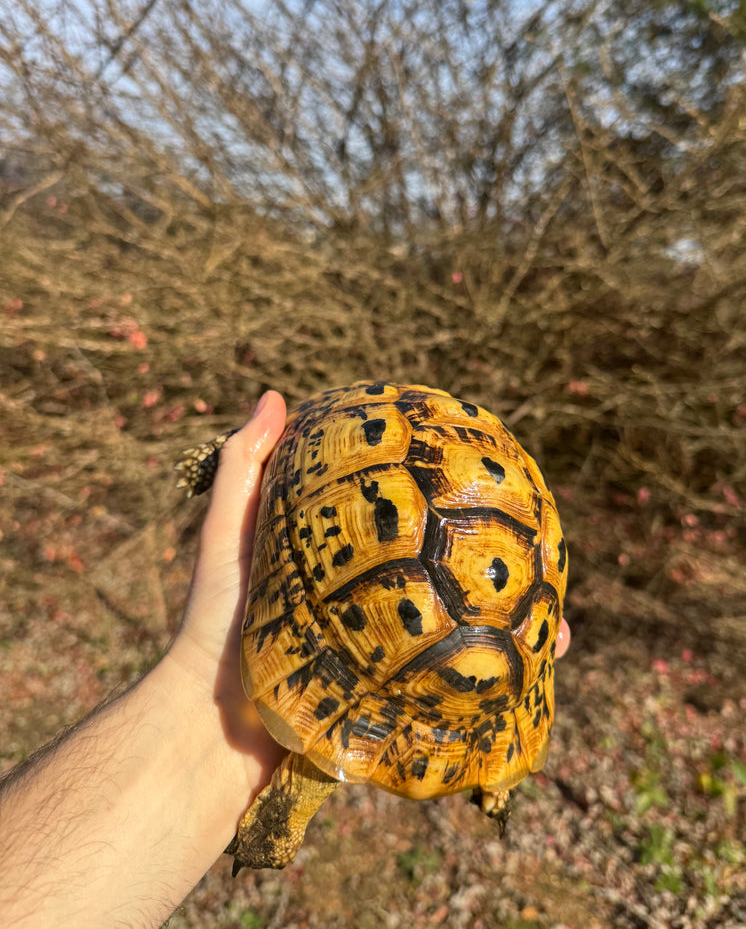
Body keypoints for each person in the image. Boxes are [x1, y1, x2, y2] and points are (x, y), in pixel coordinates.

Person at [0, 390, 571, 929]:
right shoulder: (476, 436)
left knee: (320, 748)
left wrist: (221, 458)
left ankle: (285, 812)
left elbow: (244, 451)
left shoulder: (323, 426)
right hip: (506, 671)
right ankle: (497, 770)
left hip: (371, 620)